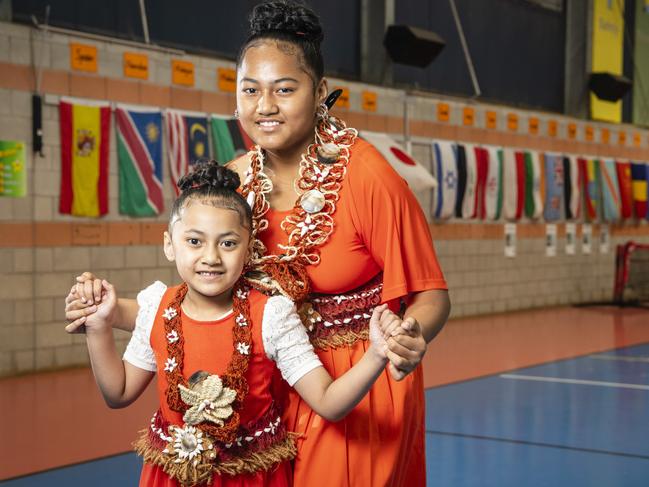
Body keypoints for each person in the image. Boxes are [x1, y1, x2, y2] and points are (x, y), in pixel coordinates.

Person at [67, 1, 450, 485]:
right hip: (262, 388)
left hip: (352, 386)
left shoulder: (368, 176)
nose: (264, 106)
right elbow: (194, 301)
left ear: (320, 93)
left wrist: (404, 338)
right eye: (250, 90)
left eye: (284, 89)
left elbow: (431, 293)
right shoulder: (232, 183)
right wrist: (106, 312)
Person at [66, 161, 403, 486]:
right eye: (194, 241)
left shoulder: (272, 315)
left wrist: (376, 354)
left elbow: (329, 402)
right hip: (173, 478)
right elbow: (118, 392)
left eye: (227, 243)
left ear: (248, 249)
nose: (211, 257)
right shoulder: (157, 307)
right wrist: (98, 328)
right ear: (170, 245)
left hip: (251, 479)